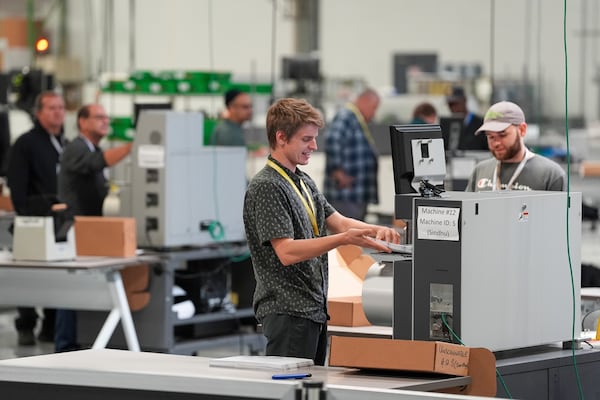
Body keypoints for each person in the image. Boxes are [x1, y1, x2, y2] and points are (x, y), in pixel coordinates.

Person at [243, 98, 400, 365]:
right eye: (306, 139)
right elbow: (287, 251)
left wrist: (378, 231)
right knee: (289, 390)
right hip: (288, 310)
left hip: (313, 310)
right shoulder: (268, 186)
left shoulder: (302, 181)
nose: (314, 146)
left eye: (314, 139)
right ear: (281, 137)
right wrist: (344, 240)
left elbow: (337, 221)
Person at [55, 103, 133, 352]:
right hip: (75, 229)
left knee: (82, 289)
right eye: (99, 117)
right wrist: (136, 145)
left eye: (107, 117)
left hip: (91, 231)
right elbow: (96, 163)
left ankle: (78, 341)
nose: (105, 121)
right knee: (69, 291)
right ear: (82, 122)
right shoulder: (76, 148)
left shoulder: (91, 148)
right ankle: (65, 344)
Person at [5, 91, 66, 346]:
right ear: (38, 112)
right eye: (52, 108)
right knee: (29, 277)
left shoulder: (64, 142)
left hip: (59, 221)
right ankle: (26, 323)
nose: (58, 112)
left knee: (57, 278)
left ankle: (51, 325)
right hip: (32, 219)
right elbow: (17, 185)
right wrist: (28, 213)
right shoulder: (26, 143)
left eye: (61, 108)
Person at [465, 101, 566, 192]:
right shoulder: (480, 171)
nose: (496, 143)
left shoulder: (550, 174)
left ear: (522, 130)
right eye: (490, 137)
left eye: (502, 135)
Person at [324, 88, 380, 221]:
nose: (374, 114)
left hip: (356, 194)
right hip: (346, 193)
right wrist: (337, 171)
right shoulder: (346, 116)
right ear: (364, 101)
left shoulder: (355, 119)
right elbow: (332, 139)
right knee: (347, 237)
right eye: (374, 108)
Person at [446, 86, 488, 151]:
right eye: (450, 105)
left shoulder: (481, 123)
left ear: (464, 100)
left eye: (456, 104)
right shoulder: (448, 125)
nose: (453, 108)